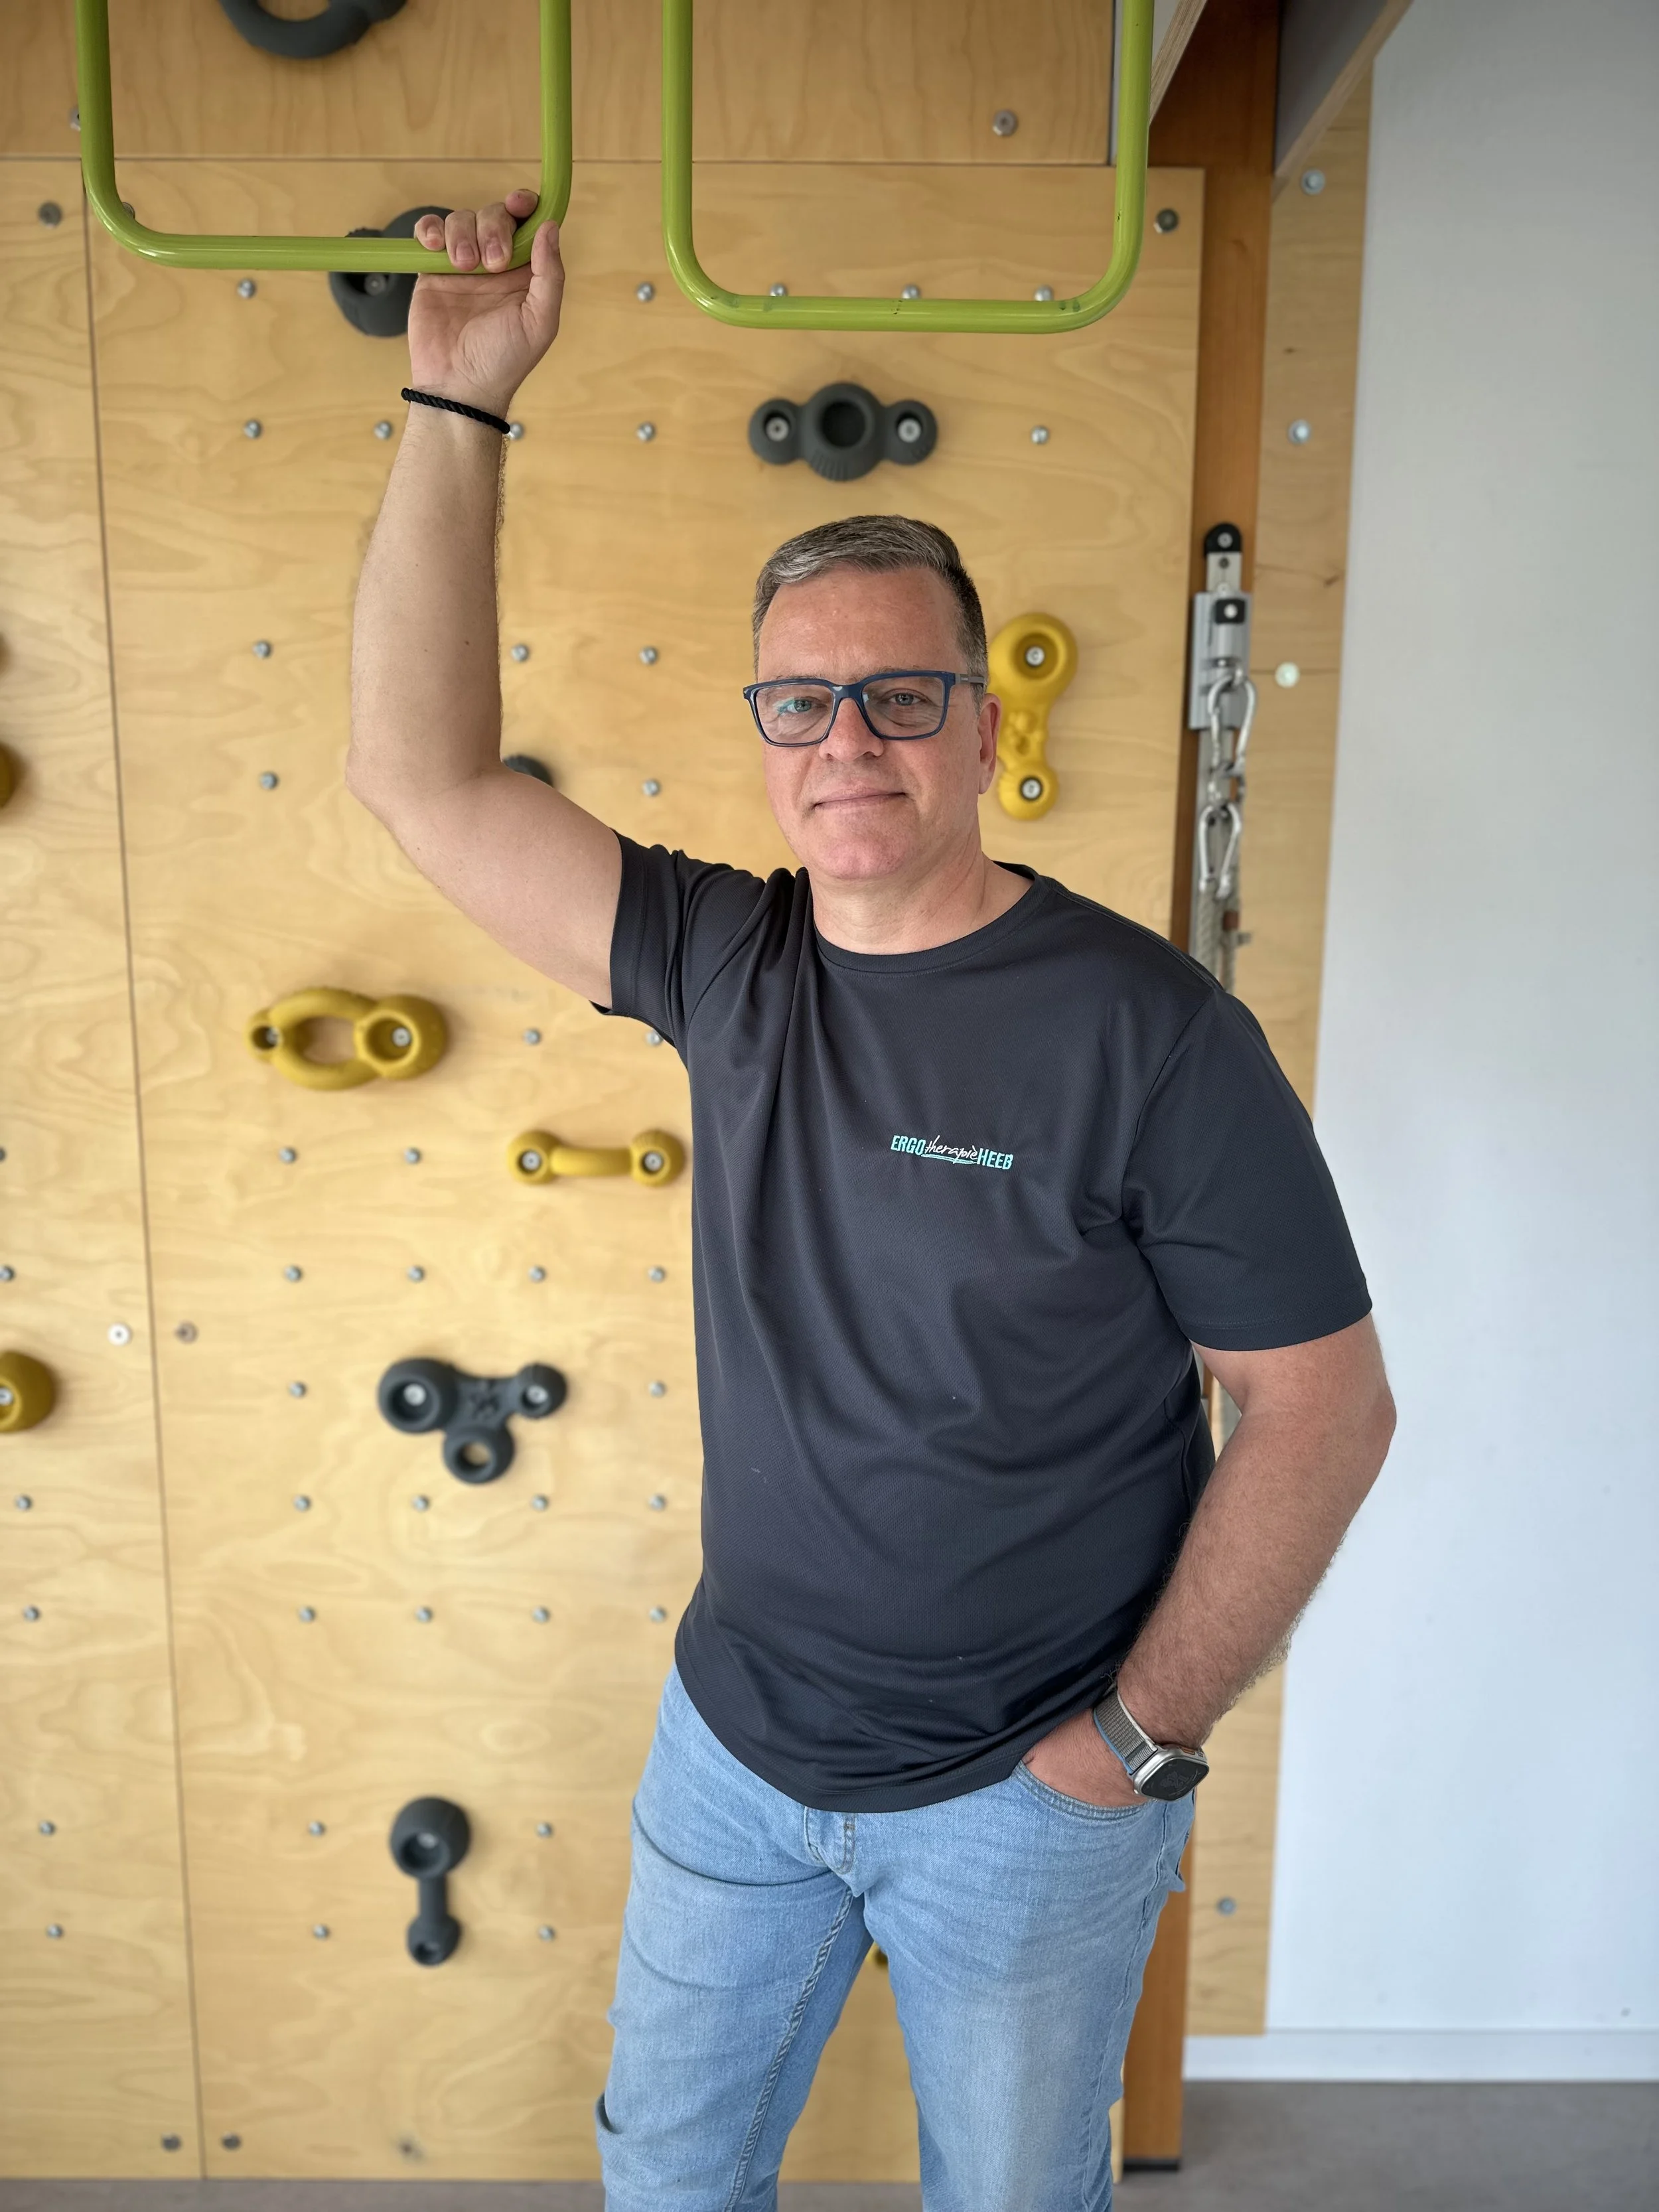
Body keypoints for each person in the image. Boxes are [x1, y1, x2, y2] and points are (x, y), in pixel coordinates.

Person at [348, 194, 1396, 2212]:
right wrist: (455, 401)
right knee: (669, 2182)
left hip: (1029, 1796)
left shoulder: (1150, 1034)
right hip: (734, 1752)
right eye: (801, 702)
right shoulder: (727, 963)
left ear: (982, 725)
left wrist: (1132, 1744)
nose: (848, 739)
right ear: (761, 740)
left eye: (902, 695)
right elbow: (423, 777)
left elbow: (1323, 1406)